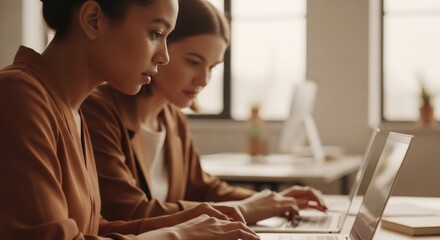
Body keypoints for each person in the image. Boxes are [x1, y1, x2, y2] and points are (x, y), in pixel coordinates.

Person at [0, 0, 260, 239]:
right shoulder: (17, 96)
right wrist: (177, 235)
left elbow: (92, 229)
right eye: (156, 34)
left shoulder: (70, 108)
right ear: (93, 20)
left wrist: (186, 222)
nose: (165, 57)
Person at [82, 0, 327, 226]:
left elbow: (203, 188)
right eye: (193, 62)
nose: (204, 79)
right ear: (160, 43)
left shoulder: (172, 119)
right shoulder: (98, 110)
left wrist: (272, 201)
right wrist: (244, 209)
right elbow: (128, 211)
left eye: (212, 67)